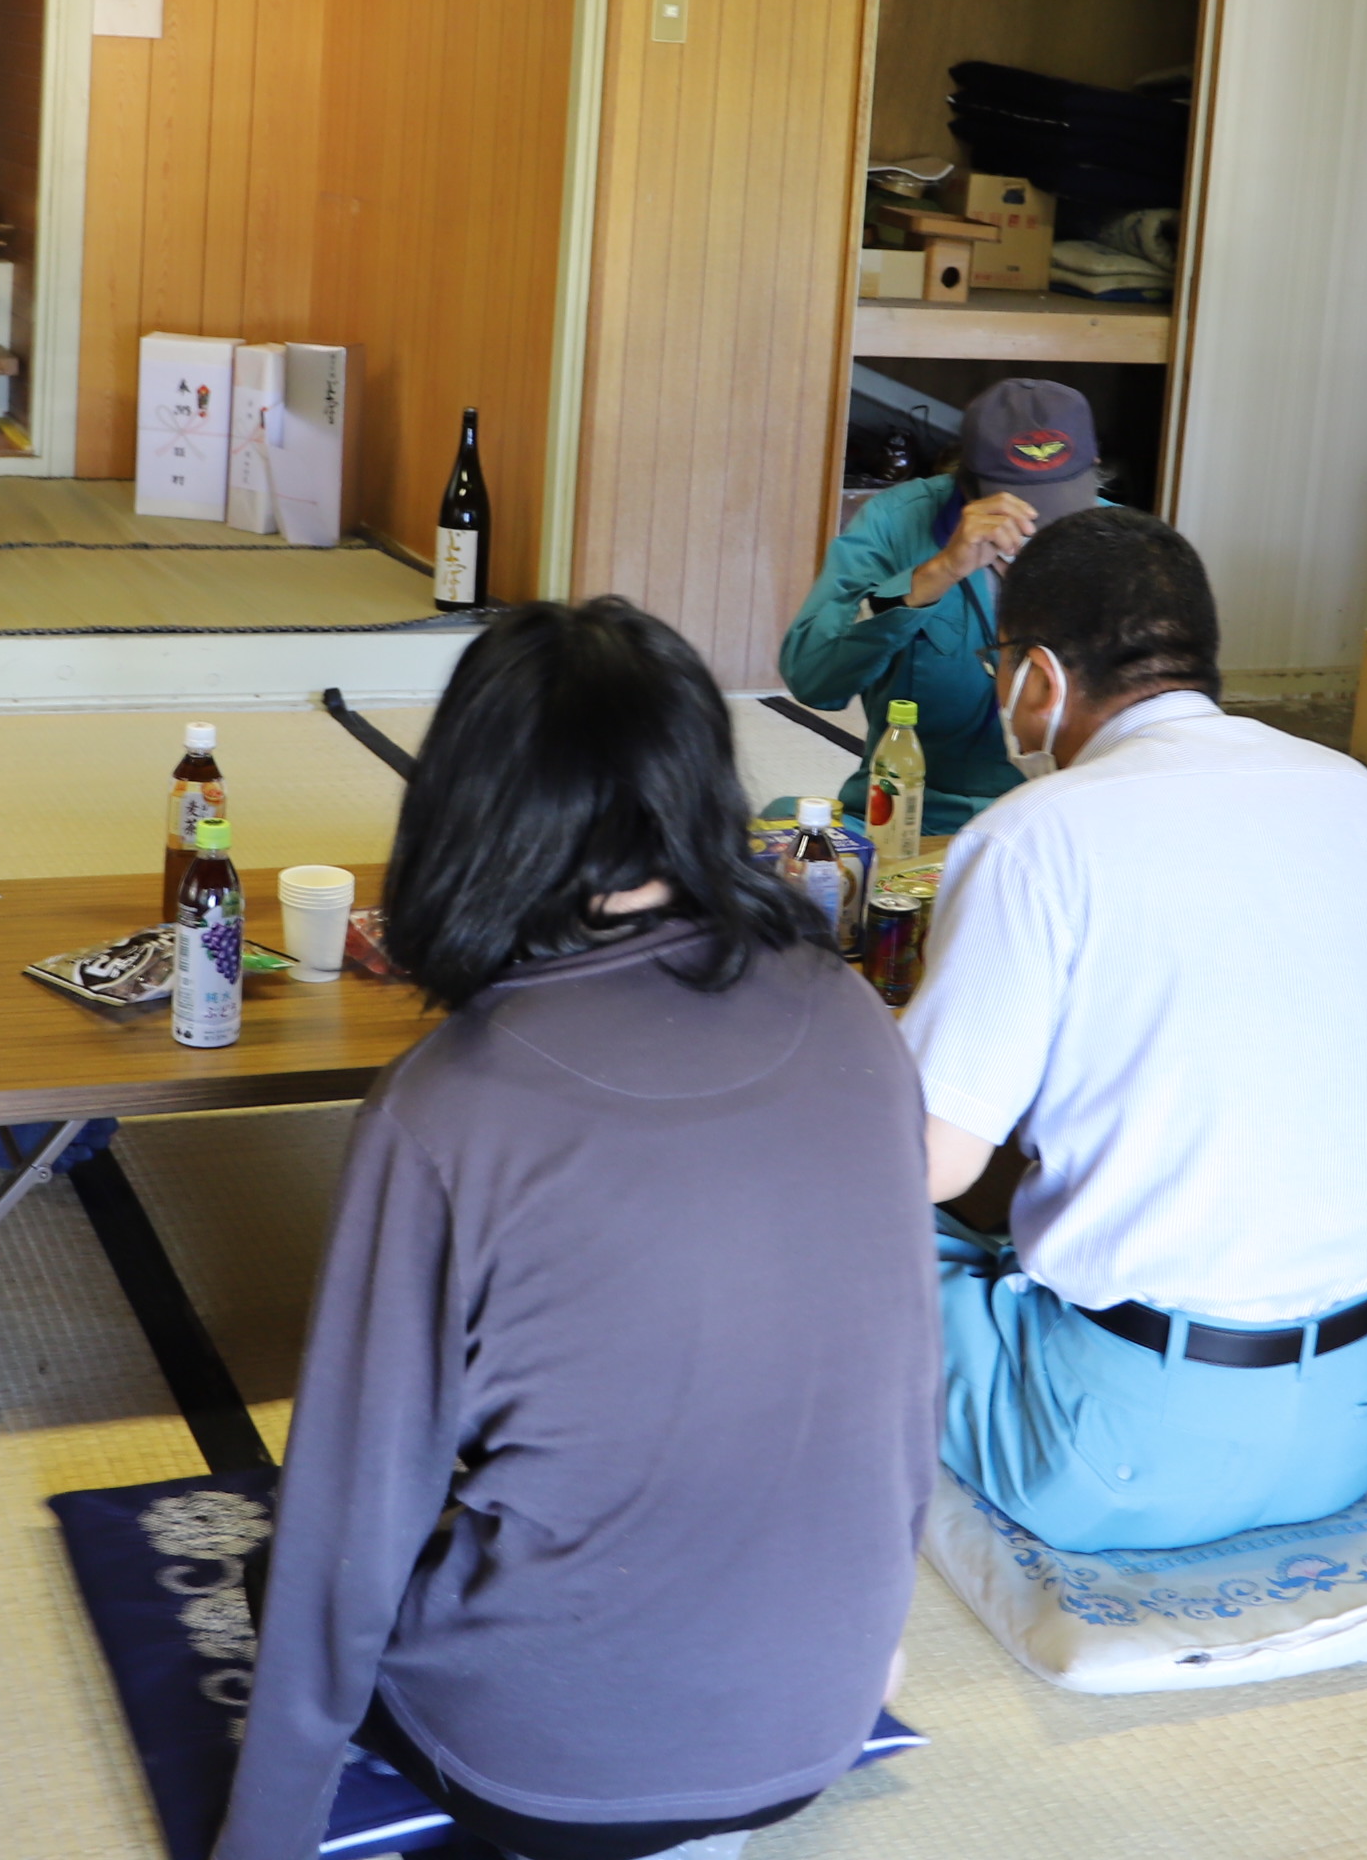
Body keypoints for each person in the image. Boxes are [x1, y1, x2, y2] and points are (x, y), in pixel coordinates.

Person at [221, 598, 931, 1860]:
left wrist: (261, 1836)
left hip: (551, 1765)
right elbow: (905, 1382)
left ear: (467, 809)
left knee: (276, 1570)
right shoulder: (854, 1015)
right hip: (819, 1714)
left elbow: (352, 1516)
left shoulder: (446, 1105)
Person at [900, 506, 1367, 1554]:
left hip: (1115, 1450)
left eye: (998, 660)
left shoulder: (1030, 835)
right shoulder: (1359, 799)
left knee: (857, 1228)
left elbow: (925, 1158)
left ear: (1039, 674)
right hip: (1356, 1420)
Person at [779, 377, 1107, 836]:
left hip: (1060, 817)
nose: (1036, 523)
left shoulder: (1122, 542)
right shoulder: (895, 521)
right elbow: (813, 679)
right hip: (913, 810)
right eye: (1017, 502)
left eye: (1057, 500)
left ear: (1092, 467)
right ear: (968, 480)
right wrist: (934, 575)